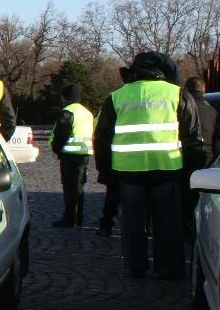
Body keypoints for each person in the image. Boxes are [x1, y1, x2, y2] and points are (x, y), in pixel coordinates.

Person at [94, 51, 204, 279]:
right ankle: (170, 267)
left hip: (129, 172)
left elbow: (103, 139)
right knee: (168, 221)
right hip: (167, 169)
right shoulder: (178, 94)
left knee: (132, 221)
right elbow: (192, 138)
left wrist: (105, 173)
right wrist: (192, 174)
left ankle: (135, 266)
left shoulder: (116, 96)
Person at [96, 66, 134, 237]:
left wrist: (103, 168)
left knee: (113, 197)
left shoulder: (116, 98)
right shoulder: (171, 94)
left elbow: (102, 137)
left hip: (119, 161)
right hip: (157, 163)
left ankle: (106, 224)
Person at [49, 84, 93, 227]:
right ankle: (78, 217)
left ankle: (69, 219)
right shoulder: (87, 113)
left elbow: (61, 134)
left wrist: (57, 149)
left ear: (66, 98)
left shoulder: (67, 112)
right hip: (84, 154)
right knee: (79, 187)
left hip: (69, 155)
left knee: (69, 188)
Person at [182, 76, 216, 239]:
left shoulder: (182, 106)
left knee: (183, 195)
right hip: (208, 159)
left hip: (183, 156)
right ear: (203, 90)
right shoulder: (212, 110)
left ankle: (185, 226)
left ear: (187, 89)